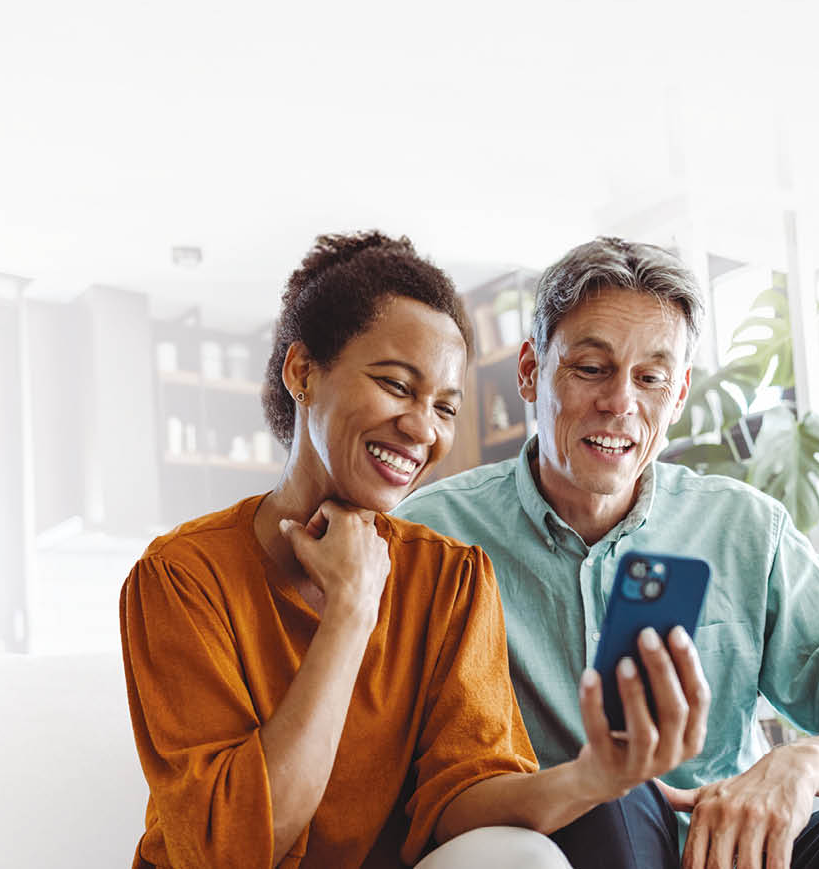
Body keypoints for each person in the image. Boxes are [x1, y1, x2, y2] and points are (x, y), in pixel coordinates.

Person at [120, 231, 710, 869]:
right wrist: (351, 612)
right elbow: (230, 850)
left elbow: (463, 798)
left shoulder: (450, 576)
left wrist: (596, 778)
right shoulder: (181, 577)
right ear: (302, 372)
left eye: (445, 407)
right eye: (397, 386)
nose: (423, 428)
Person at [394, 236, 819, 869]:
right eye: (591, 369)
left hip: (724, 848)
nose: (620, 403)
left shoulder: (745, 528)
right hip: (566, 845)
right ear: (531, 370)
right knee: (616, 801)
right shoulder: (432, 533)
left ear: (678, 395)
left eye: (651, 378)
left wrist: (801, 763)